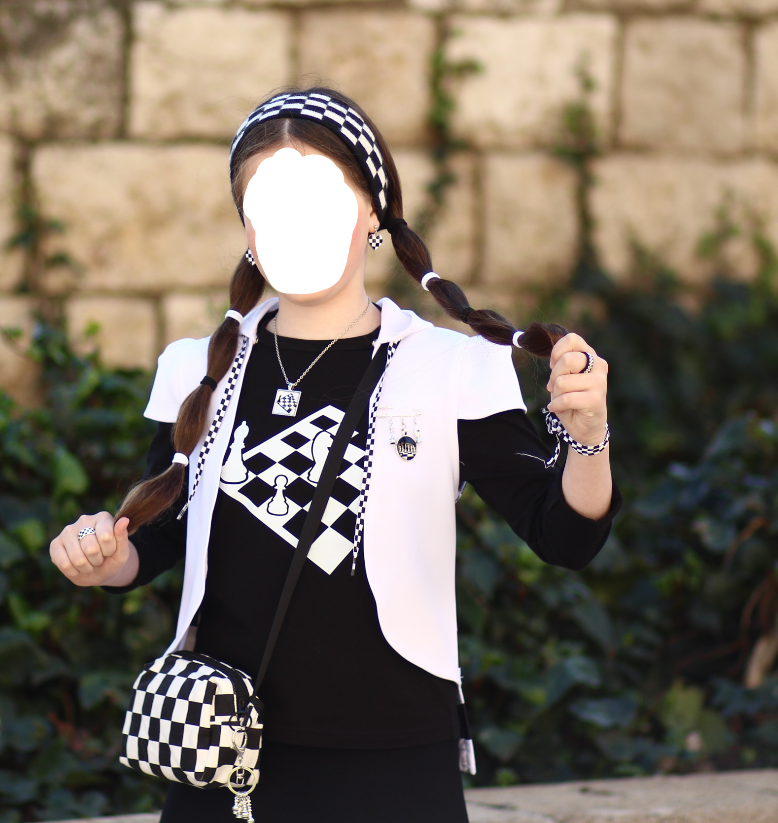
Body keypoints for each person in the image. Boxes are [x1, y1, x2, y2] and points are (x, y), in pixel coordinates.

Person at [49, 85, 622, 823]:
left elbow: (563, 535)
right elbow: (160, 539)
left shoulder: (451, 366)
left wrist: (587, 431)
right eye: (269, 204)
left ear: (373, 213)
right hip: (221, 746)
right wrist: (104, 556)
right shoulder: (196, 368)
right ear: (247, 226)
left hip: (392, 758)